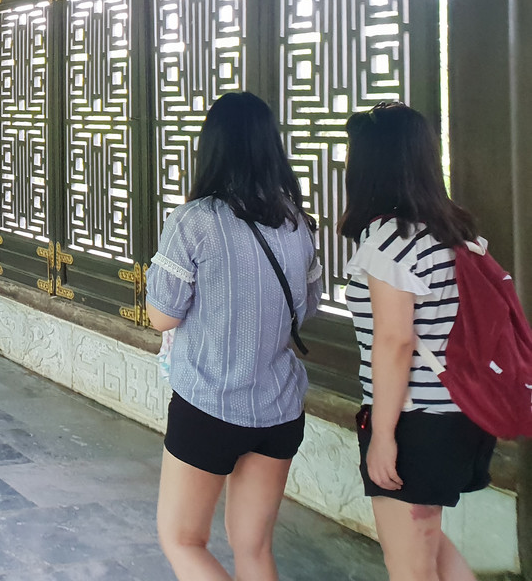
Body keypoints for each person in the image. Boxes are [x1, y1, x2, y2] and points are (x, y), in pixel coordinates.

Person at [146, 91, 321, 581]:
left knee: (183, 539)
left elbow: (162, 317)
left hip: (208, 404)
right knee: (255, 549)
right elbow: (307, 308)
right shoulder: (298, 223)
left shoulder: (194, 220)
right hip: (280, 407)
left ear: (212, 147)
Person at [339, 101, 494, 581]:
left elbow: (395, 341)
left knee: (409, 567)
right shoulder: (457, 233)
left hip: (414, 423)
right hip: (461, 414)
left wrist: (383, 436)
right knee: (431, 552)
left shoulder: (390, 240)